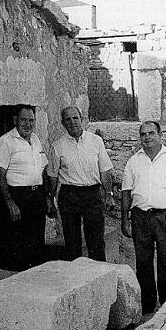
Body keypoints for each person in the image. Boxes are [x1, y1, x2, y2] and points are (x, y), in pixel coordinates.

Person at [121, 121, 166, 314]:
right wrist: (125, 219)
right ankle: (146, 306)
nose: (147, 137)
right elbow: (126, 192)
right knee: (143, 262)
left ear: (160, 135)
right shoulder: (133, 161)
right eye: (143, 134)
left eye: (151, 133)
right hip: (140, 218)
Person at [47, 106, 115, 262]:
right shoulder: (57, 146)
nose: (72, 122)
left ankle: (99, 276)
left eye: (75, 118)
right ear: (63, 123)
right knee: (72, 242)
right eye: (68, 119)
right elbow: (52, 176)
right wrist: (50, 199)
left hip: (93, 194)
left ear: (82, 119)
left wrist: (109, 194)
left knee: (96, 240)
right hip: (69, 195)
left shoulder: (96, 141)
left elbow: (105, 170)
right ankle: (76, 280)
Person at [0, 104, 49, 271]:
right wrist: (10, 203)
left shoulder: (36, 139)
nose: (28, 124)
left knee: (37, 242)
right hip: (18, 197)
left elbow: (43, 170)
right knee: (18, 244)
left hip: (37, 196)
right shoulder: (6, 141)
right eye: (24, 120)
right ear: (15, 120)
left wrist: (47, 198)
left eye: (31, 120)